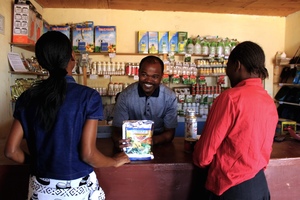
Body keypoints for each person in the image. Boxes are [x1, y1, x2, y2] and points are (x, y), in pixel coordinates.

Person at [4, 31, 130, 200]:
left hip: (40, 189)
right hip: (77, 189)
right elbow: (88, 154)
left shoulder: (27, 97)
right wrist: (114, 161)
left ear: (42, 62)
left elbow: (11, 151)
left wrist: (38, 162)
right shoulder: (88, 97)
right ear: (72, 56)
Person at [192, 41, 278, 200]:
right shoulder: (268, 101)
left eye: (228, 66)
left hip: (230, 187)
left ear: (237, 65)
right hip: (259, 186)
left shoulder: (230, 98)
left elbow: (203, 156)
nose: (227, 72)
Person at [112, 55, 178, 150]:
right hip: (131, 145)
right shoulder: (125, 96)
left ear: (161, 77)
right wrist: (118, 141)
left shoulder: (169, 97)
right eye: (144, 75)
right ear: (138, 73)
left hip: (159, 145)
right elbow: (116, 129)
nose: (148, 80)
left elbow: (170, 132)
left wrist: (151, 141)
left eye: (155, 76)